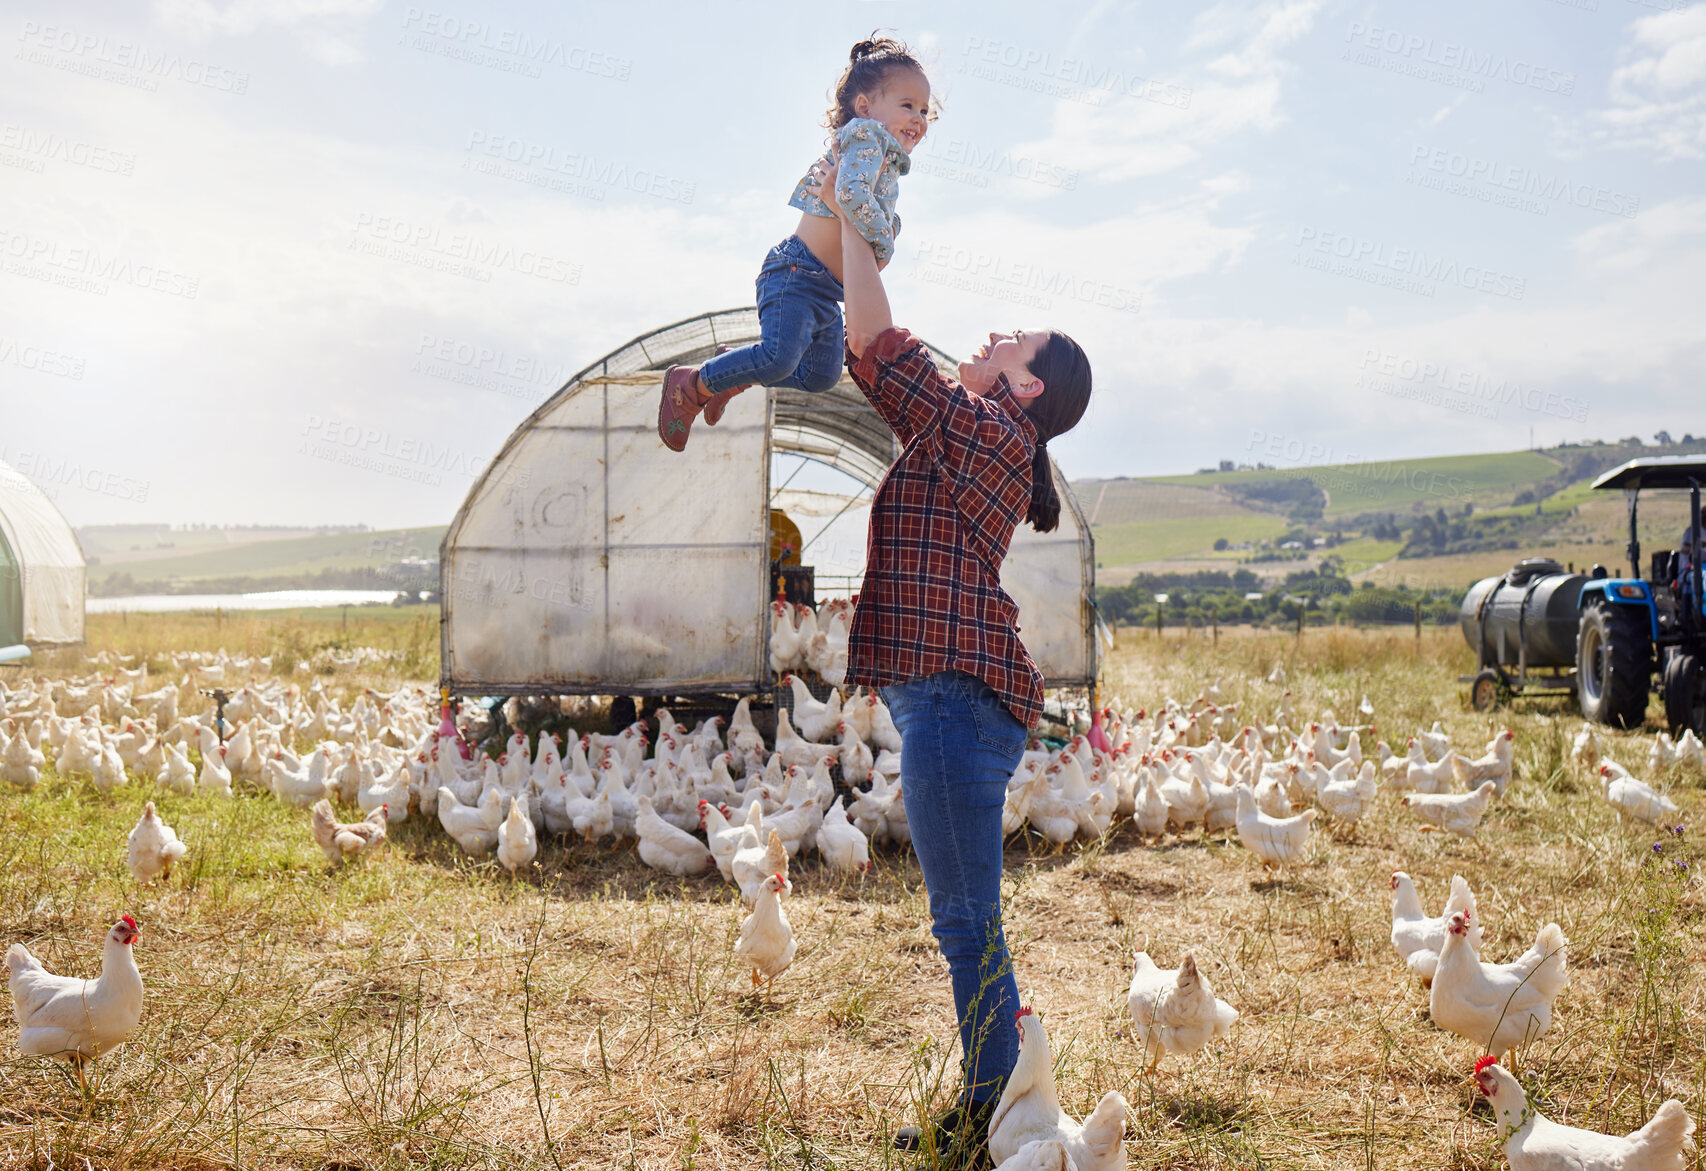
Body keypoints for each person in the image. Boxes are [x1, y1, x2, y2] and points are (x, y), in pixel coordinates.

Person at [810, 157, 1093, 1167]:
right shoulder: (982, 435)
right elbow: (877, 362)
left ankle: (994, 1119)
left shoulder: (986, 431)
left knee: (964, 921)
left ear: (1025, 385)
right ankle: (1002, 1107)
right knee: (968, 921)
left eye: (1008, 342)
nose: (987, 339)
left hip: (955, 701)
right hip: (954, 699)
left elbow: (878, 350)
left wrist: (847, 220)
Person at [656, 35, 931, 451]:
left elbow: (865, 214)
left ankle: (734, 371)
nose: (919, 118)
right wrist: (887, 241)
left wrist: (885, 231)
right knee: (779, 359)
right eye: (907, 105)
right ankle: (692, 384)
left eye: (926, 110)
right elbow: (849, 197)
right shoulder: (866, 137)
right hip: (797, 274)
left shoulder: (887, 161)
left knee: (820, 376)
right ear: (865, 107)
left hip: (825, 290)